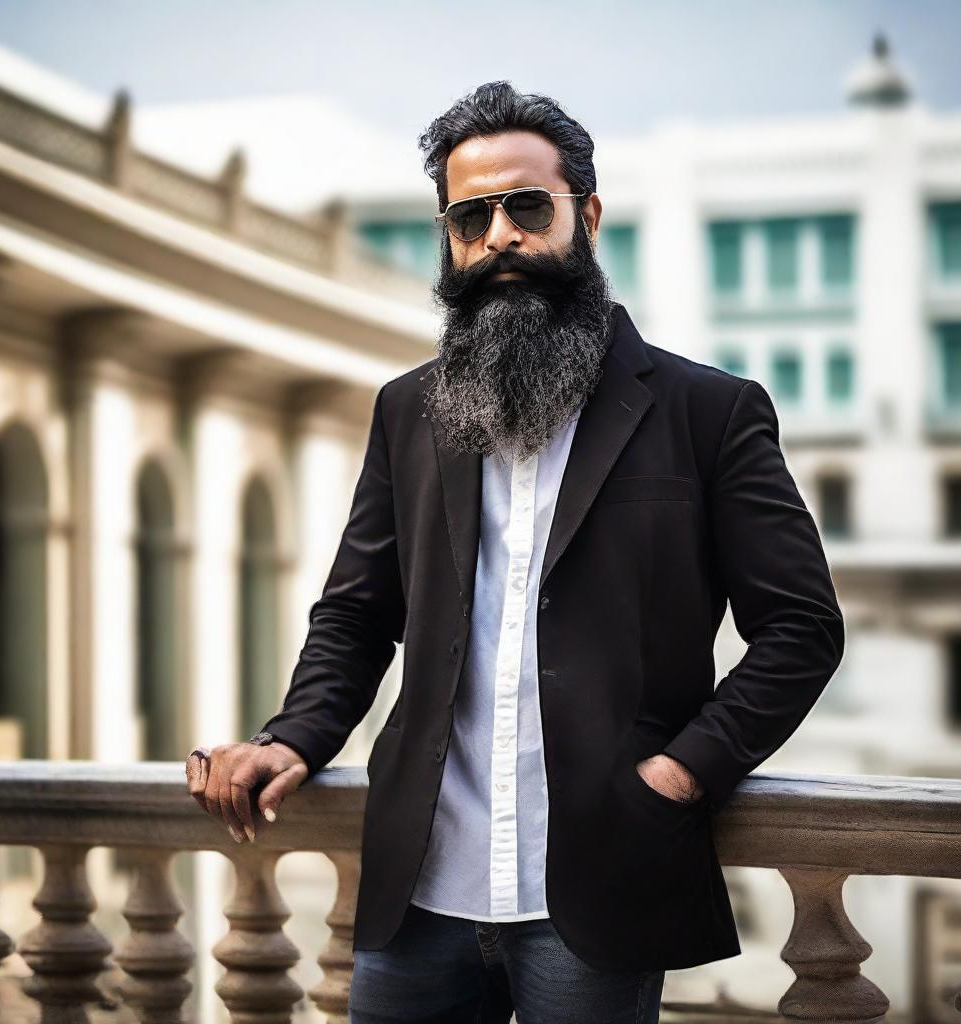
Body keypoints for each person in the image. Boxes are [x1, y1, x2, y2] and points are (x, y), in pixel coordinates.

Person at [186, 81, 845, 1023]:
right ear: (450, 238)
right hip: (417, 895)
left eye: (527, 208)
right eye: (469, 217)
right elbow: (357, 612)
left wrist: (682, 771)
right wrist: (293, 735)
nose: (499, 236)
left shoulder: (709, 412)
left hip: (599, 889)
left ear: (586, 215)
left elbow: (801, 629)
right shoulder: (407, 410)